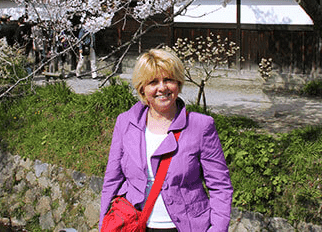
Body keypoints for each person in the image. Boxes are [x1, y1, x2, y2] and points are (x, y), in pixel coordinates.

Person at [99, 48, 232, 232]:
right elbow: (112, 180)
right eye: (153, 82)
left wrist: (217, 229)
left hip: (187, 226)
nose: (162, 88)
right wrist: (103, 224)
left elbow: (220, 186)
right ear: (142, 89)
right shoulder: (126, 123)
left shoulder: (200, 126)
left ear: (178, 83)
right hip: (135, 224)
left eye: (168, 80)